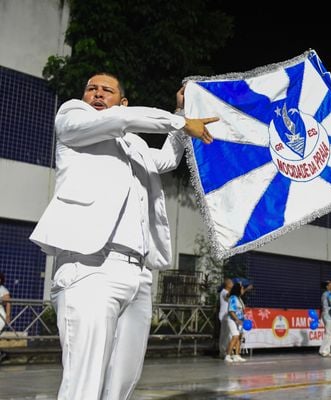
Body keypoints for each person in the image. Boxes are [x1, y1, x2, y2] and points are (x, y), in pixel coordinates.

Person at [29, 72, 218, 400]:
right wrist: (180, 123)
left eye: (107, 90)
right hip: (90, 267)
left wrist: (179, 112)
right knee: (83, 384)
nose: (97, 94)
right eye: (92, 89)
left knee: (122, 384)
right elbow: (122, 119)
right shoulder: (73, 119)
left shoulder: (135, 145)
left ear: (123, 100)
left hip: (138, 274)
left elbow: (169, 159)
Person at [224, 282, 247, 363]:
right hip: (233, 320)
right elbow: (231, 311)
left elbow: (241, 310)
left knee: (239, 338)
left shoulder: (239, 299)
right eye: (242, 288)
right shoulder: (233, 298)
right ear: (238, 290)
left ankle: (237, 355)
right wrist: (237, 320)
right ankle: (227, 355)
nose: (243, 290)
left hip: (239, 321)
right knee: (235, 336)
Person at [319, 280, 331, 357]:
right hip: (328, 314)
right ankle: (323, 350)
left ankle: (327, 350)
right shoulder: (328, 294)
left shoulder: (327, 294)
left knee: (330, 333)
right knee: (329, 333)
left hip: (329, 314)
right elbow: (330, 305)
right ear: (327, 286)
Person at [218, 278, 234, 357]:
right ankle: (223, 352)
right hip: (224, 316)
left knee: (229, 334)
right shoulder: (224, 292)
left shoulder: (227, 292)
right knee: (225, 334)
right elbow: (227, 296)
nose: (232, 284)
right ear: (227, 284)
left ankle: (227, 351)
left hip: (228, 316)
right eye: (231, 283)